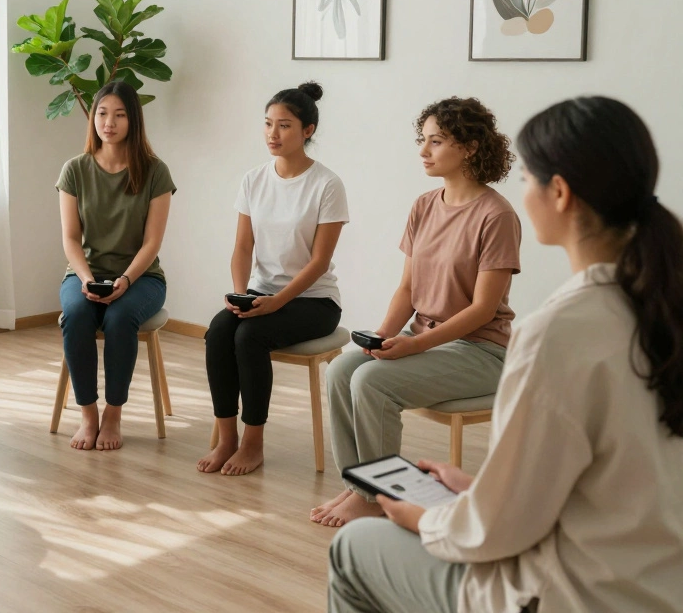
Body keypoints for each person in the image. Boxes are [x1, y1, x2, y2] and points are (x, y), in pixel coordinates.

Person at [327, 96, 683, 613]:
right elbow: (593, 484)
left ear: (558, 192)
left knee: (353, 550)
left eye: (528, 179)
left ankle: (375, 503)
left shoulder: (559, 332)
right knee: (349, 371)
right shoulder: (659, 310)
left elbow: (493, 532)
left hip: (570, 593)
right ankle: (361, 487)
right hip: (654, 586)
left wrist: (425, 517)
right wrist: (476, 488)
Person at [314, 97, 520, 526]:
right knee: (340, 371)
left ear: (470, 147)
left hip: (481, 351)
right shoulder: (425, 204)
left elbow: (483, 310)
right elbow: (407, 288)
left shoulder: (496, 215)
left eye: (437, 141)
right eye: (422, 141)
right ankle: (361, 485)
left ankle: (380, 495)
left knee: (372, 383)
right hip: (423, 338)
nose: (424, 151)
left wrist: (413, 346)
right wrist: (383, 338)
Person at [199, 82, 348, 475]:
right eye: (268, 124)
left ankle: (253, 443)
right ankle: (226, 438)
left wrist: (278, 302)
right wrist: (239, 292)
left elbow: (319, 262)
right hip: (260, 294)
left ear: (307, 131)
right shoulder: (254, 180)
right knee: (218, 331)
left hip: (314, 301)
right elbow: (242, 247)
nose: (272, 134)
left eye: (283, 126)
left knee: (250, 337)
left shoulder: (327, 185)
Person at [57, 80, 176, 451]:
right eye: (102, 113)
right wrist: (88, 279)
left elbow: (152, 242)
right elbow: (70, 239)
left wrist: (125, 279)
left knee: (120, 318)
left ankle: (113, 414)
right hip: (85, 273)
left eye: (120, 115)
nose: (109, 122)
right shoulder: (75, 169)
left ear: (133, 121)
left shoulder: (155, 171)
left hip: (142, 278)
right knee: (76, 315)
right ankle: (88, 414)